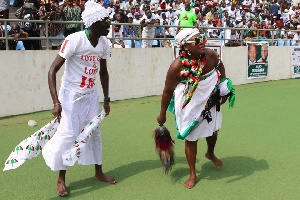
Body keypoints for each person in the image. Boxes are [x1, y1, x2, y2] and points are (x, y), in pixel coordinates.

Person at [42, 1, 116, 197]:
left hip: (91, 95)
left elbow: (104, 73)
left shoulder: (103, 43)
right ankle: (61, 179)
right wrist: (56, 102)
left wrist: (106, 99)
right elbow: (52, 71)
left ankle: (99, 172)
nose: (109, 24)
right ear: (94, 23)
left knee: (95, 133)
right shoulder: (74, 40)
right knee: (69, 135)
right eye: (105, 21)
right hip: (70, 95)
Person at [157, 28, 234, 189]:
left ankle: (210, 153)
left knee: (213, 129)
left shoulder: (210, 55)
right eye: (197, 41)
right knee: (191, 137)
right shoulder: (177, 66)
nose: (202, 43)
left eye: (203, 39)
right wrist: (162, 113)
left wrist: (224, 87)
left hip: (211, 98)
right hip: (189, 104)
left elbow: (220, 67)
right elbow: (167, 91)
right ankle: (193, 173)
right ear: (185, 46)